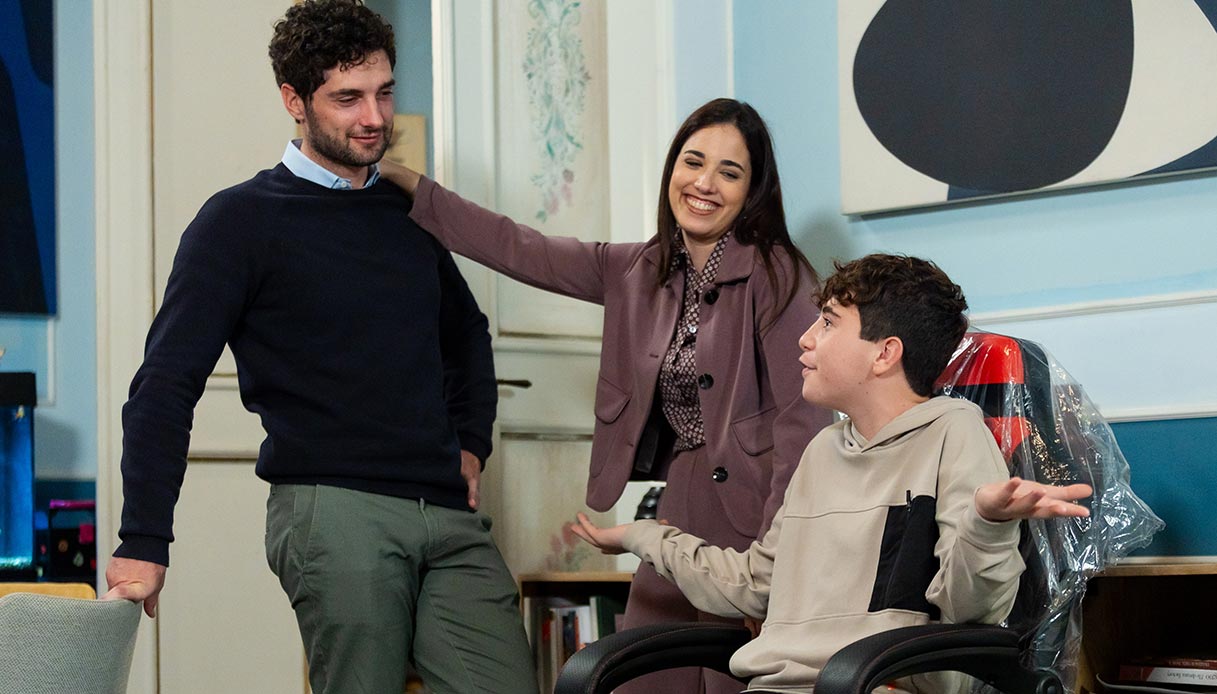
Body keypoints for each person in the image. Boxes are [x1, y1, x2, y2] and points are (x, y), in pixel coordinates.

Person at [100, 2, 537, 693]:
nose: (374, 117)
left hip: (447, 513)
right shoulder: (237, 222)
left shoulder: (409, 212)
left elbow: (466, 334)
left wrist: (471, 443)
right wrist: (143, 539)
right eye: (348, 98)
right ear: (294, 100)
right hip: (335, 510)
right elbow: (165, 384)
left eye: (384, 92)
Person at [380, 97, 835, 693]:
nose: (704, 183)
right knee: (639, 675)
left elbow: (803, 426)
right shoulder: (640, 269)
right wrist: (414, 188)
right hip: (683, 500)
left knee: (736, 679)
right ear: (672, 169)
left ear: (752, 192)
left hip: (758, 513)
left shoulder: (779, 274)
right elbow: (522, 248)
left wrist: (773, 572)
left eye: (729, 172)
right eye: (693, 162)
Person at [571, 253, 1094, 694]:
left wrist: (987, 523)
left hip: (876, 683)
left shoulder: (953, 433)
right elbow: (756, 584)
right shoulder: (822, 450)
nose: (805, 339)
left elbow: (968, 610)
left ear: (884, 354)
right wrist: (644, 537)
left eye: (827, 322)